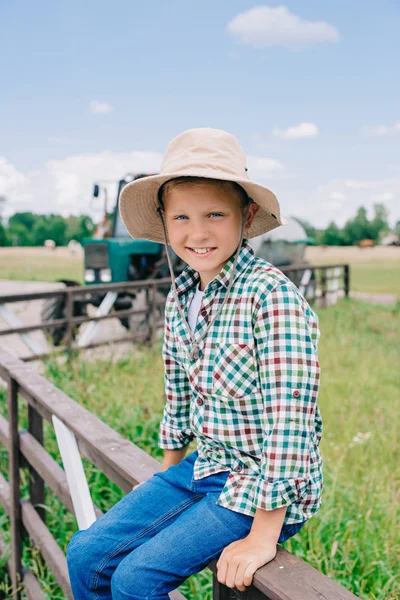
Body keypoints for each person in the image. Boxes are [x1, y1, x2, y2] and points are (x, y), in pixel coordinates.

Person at [66, 128, 323, 598]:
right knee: (86, 555)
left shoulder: (271, 299)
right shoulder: (183, 293)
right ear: (163, 221)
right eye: (181, 216)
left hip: (258, 486)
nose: (197, 232)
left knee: (135, 579)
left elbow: (292, 425)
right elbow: (179, 394)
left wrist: (263, 537)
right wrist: (167, 476)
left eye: (214, 215)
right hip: (204, 467)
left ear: (246, 217)